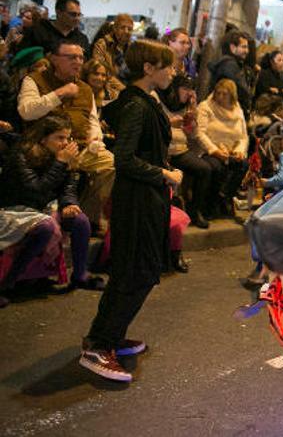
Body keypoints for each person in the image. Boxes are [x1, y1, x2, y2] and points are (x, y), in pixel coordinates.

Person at [80, 39, 181, 383]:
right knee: (134, 270)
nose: (173, 71)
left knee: (138, 269)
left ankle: (110, 334)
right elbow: (124, 160)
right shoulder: (137, 105)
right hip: (137, 199)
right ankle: (99, 345)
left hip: (147, 197)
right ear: (148, 68)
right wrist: (164, 173)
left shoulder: (145, 102)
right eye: (167, 65)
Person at [17, 39, 115, 232]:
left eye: (80, 57)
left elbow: (93, 121)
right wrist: (59, 93)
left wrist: (96, 139)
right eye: (71, 57)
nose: (78, 61)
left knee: (110, 163)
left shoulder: (85, 89)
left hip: (79, 147)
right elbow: (26, 111)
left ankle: (86, 218)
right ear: (54, 59)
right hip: (44, 148)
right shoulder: (34, 80)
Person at [0, 115, 105, 293]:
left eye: (68, 137)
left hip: (42, 207)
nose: (65, 143)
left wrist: (69, 203)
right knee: (46, 227)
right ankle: (7, 284)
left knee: (80, 220)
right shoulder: (22, 155)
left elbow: (68, 187)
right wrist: (60, 163)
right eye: (60, 137)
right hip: (15, 209)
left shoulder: (63, 157)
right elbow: (35, 190)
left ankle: (80, 274)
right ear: (43, 138)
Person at [160, 75, 211, 229]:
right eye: (185, 89)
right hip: (164, 150)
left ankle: (195, 211)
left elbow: (193, 134)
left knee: (205, 169)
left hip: (181, 150)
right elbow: (155, 127)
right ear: (175, 88)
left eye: (191, 90)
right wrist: (169, 123)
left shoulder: (186, 107)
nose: (188, 93)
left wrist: (193, 116)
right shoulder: (159, 100)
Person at [195, 79, 249, 219]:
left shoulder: (237, 109)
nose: (220, 97)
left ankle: (224, 197)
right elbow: (200, 133)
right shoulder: (206, 106)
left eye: (224, 94)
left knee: (243, 164)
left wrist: (239, 150)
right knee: (216, 167)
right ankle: (209, 205)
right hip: (210, 150)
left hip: (230, 150)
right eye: (218, 93)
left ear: (232, 95)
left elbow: (243, 136)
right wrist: (214, 150)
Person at [14, 0, 89, 55]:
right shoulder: (37, 31)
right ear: (59, 13)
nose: (77, 18)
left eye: (79, 15)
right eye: (73, 14)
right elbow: (21, 57)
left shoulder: (81, 39)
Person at [208, 30, 253, 117]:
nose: (247, 51)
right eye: (243, 47)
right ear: (232, 47)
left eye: (247, 47)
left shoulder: (236, 64)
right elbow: (239, 89)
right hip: (225, 113)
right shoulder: (229, 65)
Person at [90, 14, 134, 98]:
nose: (126, 31)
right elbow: (103, 73)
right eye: (122, 27)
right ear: (114, 28)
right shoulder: (103, 44)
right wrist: (124, 89)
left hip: (129, 89)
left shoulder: (133, 48)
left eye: (130, 29)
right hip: (109, 89)